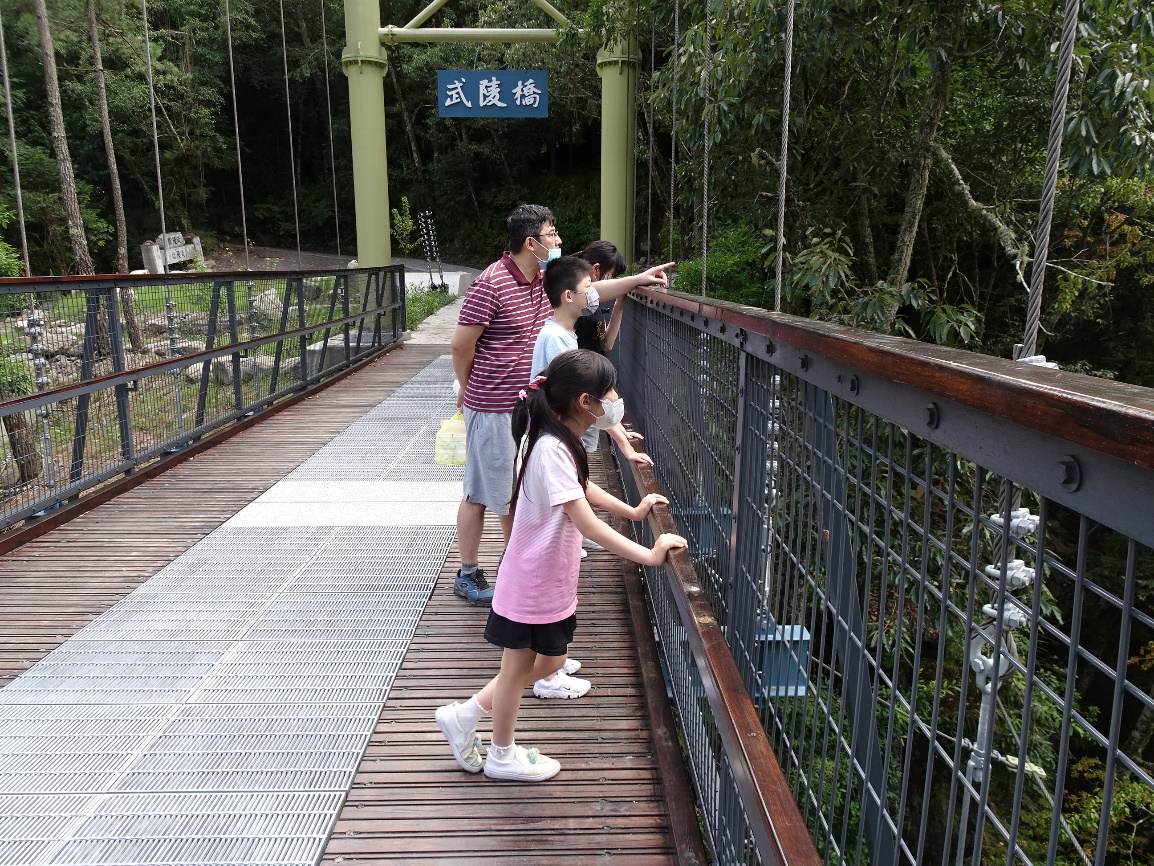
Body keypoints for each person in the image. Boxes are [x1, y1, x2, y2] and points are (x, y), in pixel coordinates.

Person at [435, 349, 687, 781]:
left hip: (546, 579)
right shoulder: (552, 447)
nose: (616, 400)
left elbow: (582, 487)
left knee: (550, 663)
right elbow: (585, 522)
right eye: (610, 392)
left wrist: (632, 511)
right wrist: (648, 554)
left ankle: (464, 716)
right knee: (515, 672)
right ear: (586, 402)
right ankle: (500, 755)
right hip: (532, 582)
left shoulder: (558, 438)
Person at [451, 206, 673, 606]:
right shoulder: (491, 283)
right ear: (530, 242)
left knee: (514, 488)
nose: (558, 241)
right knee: (483, 491)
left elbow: (590, 292)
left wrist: (638, 280)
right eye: (552, 234)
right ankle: (469, 572)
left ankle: (514, 566)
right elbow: (461, 345)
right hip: (493, 402)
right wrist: (468, 392)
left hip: (526, 403)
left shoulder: (543, 280)